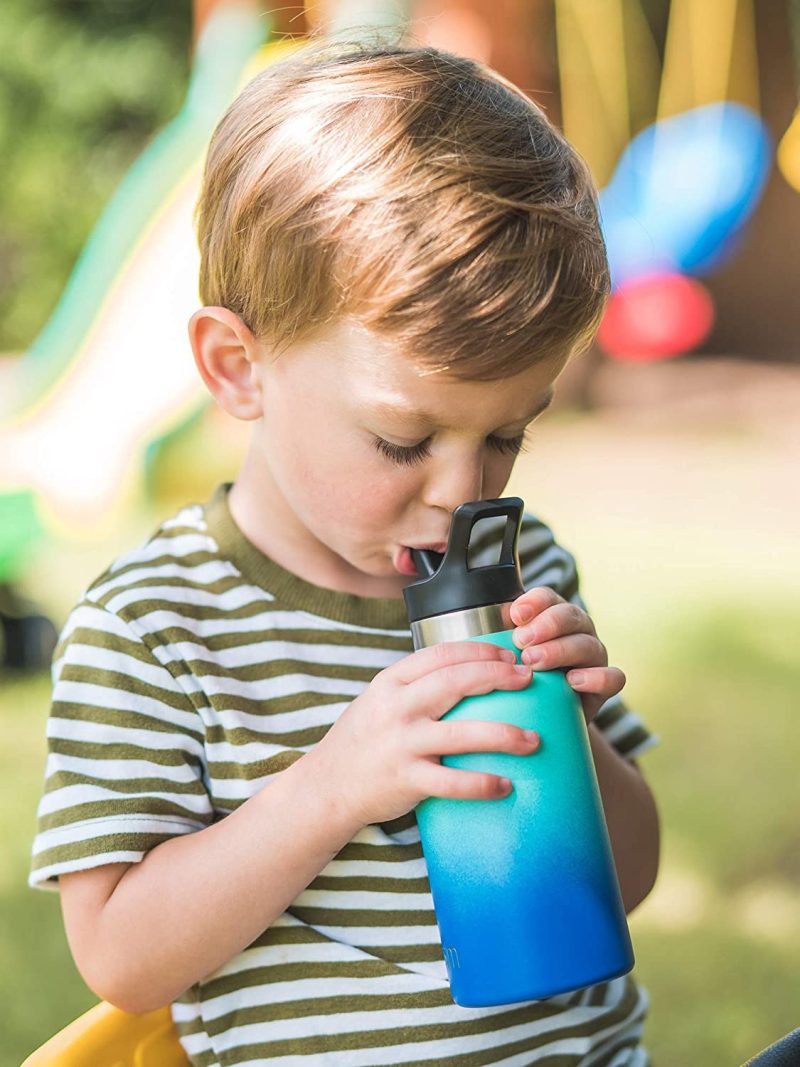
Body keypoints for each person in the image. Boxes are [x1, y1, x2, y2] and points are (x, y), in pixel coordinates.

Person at [29, 33, 661, 1067]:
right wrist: (330, 786)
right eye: (402, 439)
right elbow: (123, 958)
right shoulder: (155, 622)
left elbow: (628, 881)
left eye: (507, 431)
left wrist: (574, 733)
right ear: (239, 367)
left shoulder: (521, 564)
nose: (464, 492)